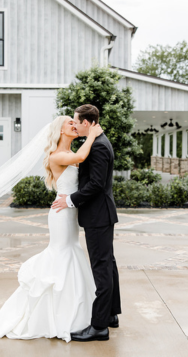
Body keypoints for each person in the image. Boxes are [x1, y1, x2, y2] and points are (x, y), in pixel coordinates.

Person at [0, 115, 103, 342]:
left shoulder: (69, 153)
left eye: (74, 122)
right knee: (62, 254)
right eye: (69, 123)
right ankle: (58, 314)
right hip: (61, 213)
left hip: (70, 211)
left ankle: (79, 311)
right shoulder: (57, 155)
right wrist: (93, 135)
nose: (74, 125)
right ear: (60, 131)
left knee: (72, 252)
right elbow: (81, 156)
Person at [52, 104, 121, 342]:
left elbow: (96, 185)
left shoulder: (99, 146)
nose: (75, 125)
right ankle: (111, 315)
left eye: (76, 121)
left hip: (98, 216)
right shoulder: (97, 141)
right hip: (100, 215)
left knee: (101, 268)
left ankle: (99, 327)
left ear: (87, 123)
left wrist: (70, 200)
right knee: (108, 264)